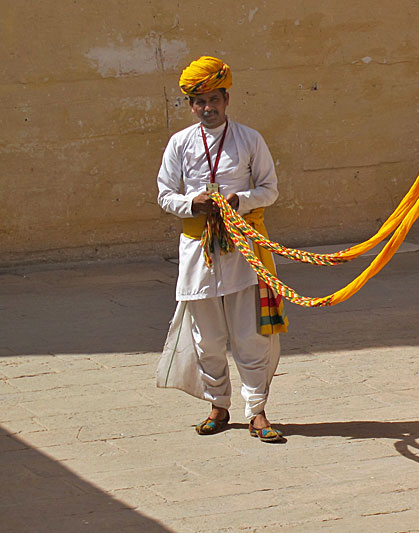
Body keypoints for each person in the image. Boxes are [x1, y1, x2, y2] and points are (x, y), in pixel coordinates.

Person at [155, 56, 288, 443]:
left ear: (226, 99)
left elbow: (270, 190)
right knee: (207, 338)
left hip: (243, 251)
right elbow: (165, 194)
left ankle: (257, 412)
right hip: (199, 253)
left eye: (214, 99)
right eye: (200, 101)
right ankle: (218, 405)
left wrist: (239, 200)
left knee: (250, 335)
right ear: (191, 105)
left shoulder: (250, 139)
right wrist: (191, 203)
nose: (207, 108)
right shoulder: (180, 143)